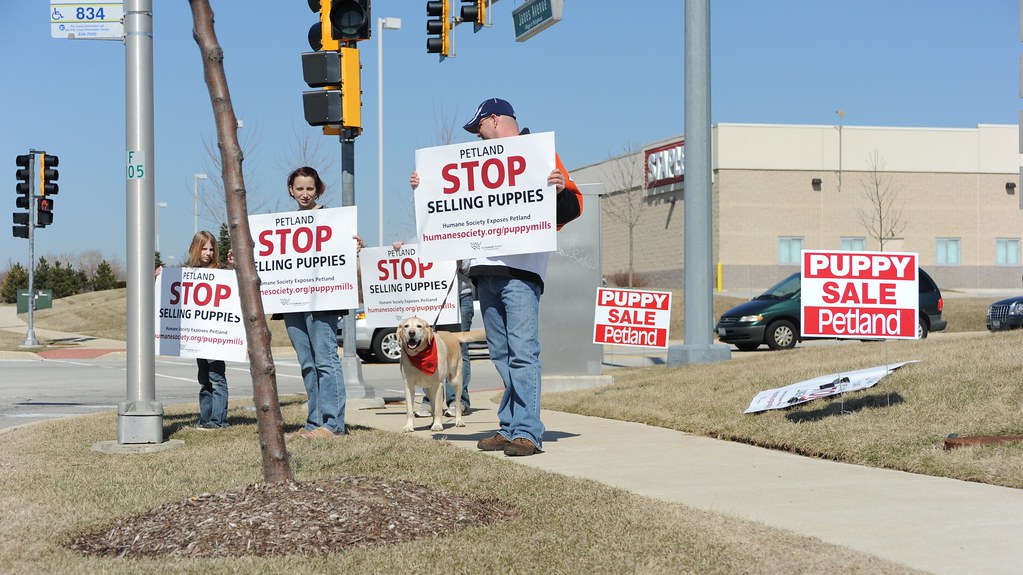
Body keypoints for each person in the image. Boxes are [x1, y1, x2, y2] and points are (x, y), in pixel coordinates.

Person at [410, 97, 583, 456]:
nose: (477, 137)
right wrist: (424, 187)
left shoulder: (539, 154)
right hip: (484, 271)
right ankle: (509, 426)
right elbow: (444, 208)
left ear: (494, 120)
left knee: (522, 352)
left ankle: (528, 433)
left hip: (521, 271)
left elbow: (573, 207)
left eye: (479, 129)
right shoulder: (476, 165)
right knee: (502, 353)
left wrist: (561, 189)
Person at [281, 166, 362, 439]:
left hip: (323, 300)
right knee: (307, 363)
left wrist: (354, 247)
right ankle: (314, 423)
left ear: (319, 190)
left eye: (310, 189)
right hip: (293, 302)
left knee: (326, 361)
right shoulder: (285, 226)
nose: (305, 194)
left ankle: (333, 424)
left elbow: (344, 252)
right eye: (300, 189)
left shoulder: (332, 219)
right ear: (291, 190)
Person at [156, 230, 231, 430]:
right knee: (204, 379)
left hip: (215, 335)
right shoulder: (188, 273)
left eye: (211, 248)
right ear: (194, 249)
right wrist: (161, 277)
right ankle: (205, 418)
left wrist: (234, 266)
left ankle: (218, 421)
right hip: (198, 338)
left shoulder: (222, 271)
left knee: (217, 378)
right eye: (203, 248)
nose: (208, 252)